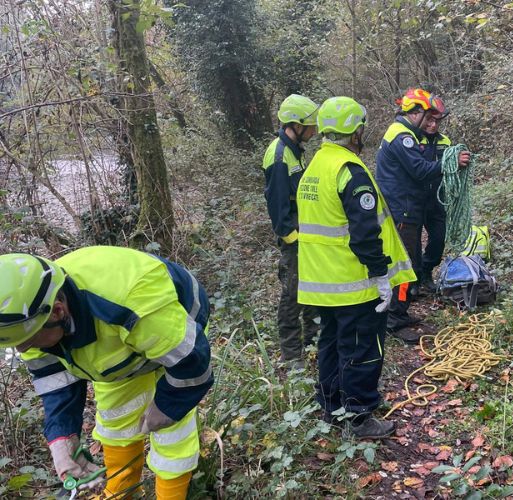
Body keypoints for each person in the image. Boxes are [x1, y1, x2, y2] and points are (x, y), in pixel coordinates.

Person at [0, 246, 213, 499]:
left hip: (174, 331)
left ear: (58, 311)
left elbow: (192, 364)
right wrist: (62, 437)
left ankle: (171, 495)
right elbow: (55, 381)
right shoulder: (29, 318)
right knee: (116, 421)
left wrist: (167, 408)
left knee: (172, 435)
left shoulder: (136, 301)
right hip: (116, 349)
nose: (23, 349)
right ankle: (120, 490)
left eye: (28, 340)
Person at [296, 96, 415, 439]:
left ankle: (331, 407)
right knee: (362, 348)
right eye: (361, 126)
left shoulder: (316, 166)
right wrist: (380, 274)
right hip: (353, 283)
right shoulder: (349, 171)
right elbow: (364, 234)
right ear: (354, 130)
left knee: (331, 344)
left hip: (322, 283)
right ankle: (359, 417)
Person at [375, 88, 470, 339]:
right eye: (427, 115)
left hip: (410, 206)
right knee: (405, 264)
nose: (431, 122)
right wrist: (449, 163)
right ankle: (395, 318)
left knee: (410, 263)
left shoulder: (413, 134)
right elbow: (419, 169)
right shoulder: (401, 135)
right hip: (401, 208)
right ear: (415, 113)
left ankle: (400, 312)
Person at [262, 94, 320, 370]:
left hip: (304, 234)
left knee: (310, 288)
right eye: (310, 126)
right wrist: (292, 239)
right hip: (293, 238)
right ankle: (291, 353)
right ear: (295, 125)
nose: (314, 131)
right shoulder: (279, 156)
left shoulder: (294, 150)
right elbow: (278, 207)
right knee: (292, 292)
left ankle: (313, 339)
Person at [418, 95, 452, 293]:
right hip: (415, 199)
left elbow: (452, 168)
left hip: (437, 198)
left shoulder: (445, 142)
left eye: (436, 121)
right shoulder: (412, 140)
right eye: (429, 120)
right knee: (411, 245)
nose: (432, 125)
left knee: (438, 238)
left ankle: (426, 269)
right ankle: (412, 281)